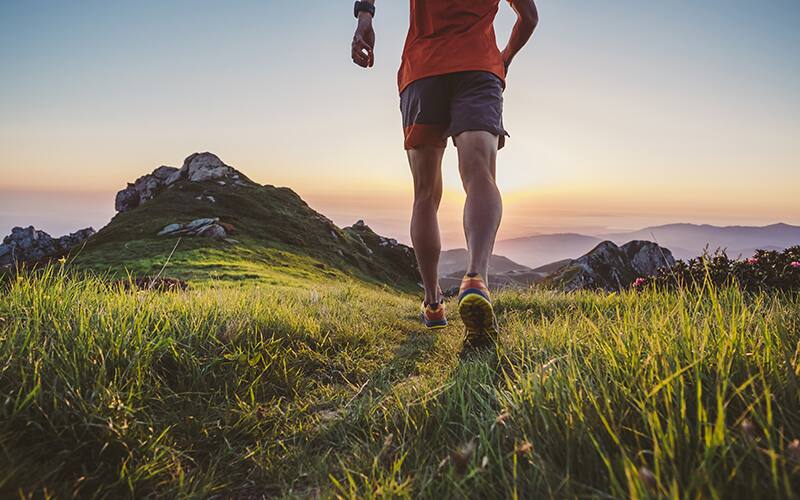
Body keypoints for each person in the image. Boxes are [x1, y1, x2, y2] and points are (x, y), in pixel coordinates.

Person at [351, 0, 538, 347]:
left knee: (425, 195)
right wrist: (505, 57)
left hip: (422, 71)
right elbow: (528, 17)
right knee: (479, 173)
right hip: (479, 68)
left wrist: (364, 16)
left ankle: (433, 304)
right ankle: (476, 277)